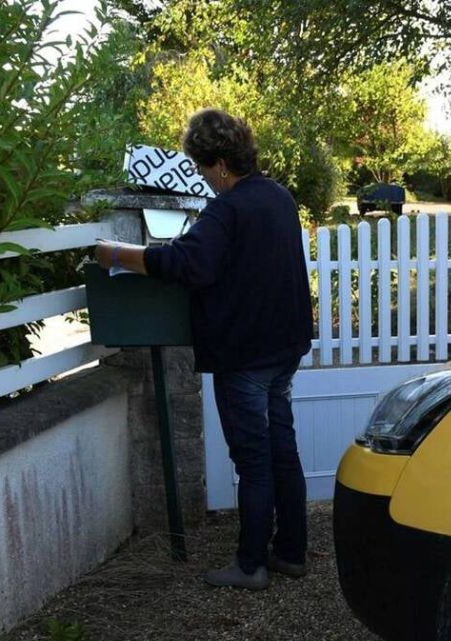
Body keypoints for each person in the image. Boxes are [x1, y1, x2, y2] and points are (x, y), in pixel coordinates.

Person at [95, 109, 313, 591]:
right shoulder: (278, 197)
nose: (202, 177)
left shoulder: (228, 208)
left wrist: (116, 254)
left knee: (253, 460)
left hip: (245, 355)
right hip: (283, 348)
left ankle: (250, 564)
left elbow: (188, 263)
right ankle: (291, 553)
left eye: (200, 167)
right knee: (282, 450)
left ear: (218, 164)